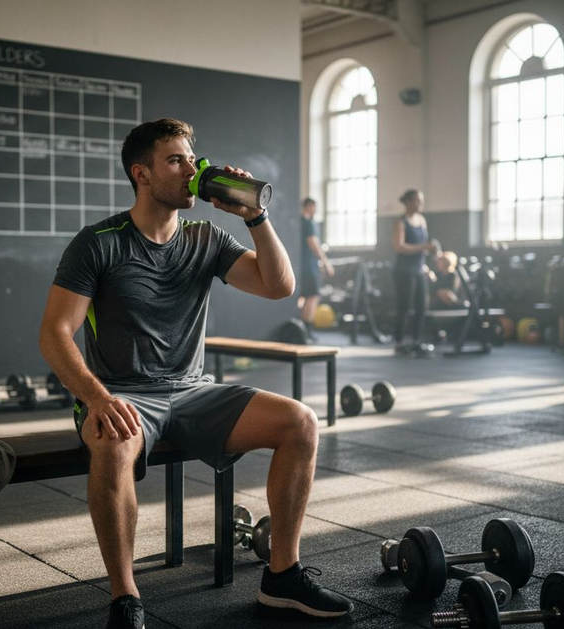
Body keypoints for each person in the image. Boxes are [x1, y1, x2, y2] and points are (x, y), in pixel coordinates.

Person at [39, 119, 353, 629]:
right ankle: (125, 598)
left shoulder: (206, 236)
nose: (192, 170)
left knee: (300, 422)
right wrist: (97, 398)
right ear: (141, 174)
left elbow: (279, 286)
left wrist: (256, 217)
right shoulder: (98, 243)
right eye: (176, 160)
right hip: (124, 395)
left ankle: (282, 576)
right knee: (113, 444)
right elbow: (55, 333)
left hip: (192, 392)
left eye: (191, 157)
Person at [393, 189, 439, 355]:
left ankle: (416, 340)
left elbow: (424, 246)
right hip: (403, 271)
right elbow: (399, 246)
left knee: (421, 306)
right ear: (409, 202)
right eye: (418, 201)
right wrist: (423, 247)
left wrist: (427, 258)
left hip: (419, 269)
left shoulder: (422, 220)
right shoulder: (401, 222)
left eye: (422, 200)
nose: (421, 204)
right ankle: (399, 342)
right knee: (404, 307)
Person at [298, 197, 335, 339]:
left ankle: (304, 330)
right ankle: (305, 330)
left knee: (308, 297)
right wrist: (326, 263)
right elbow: (314, 244)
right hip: (309, 266)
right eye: (315, 207)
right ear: (309, 206)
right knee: (312, 296)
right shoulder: (308, 223)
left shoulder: (301, 222)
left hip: (305, 265)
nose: (316, 210)